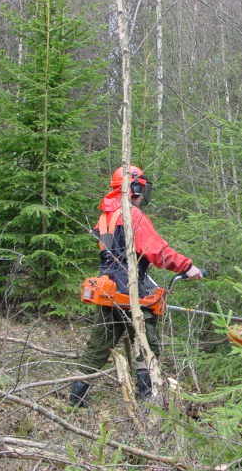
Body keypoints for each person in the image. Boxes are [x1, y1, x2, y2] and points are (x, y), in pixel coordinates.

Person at [70, 165, 202, 406]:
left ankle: (76, 399)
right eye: (142, 188)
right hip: (131, 291)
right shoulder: (132, 215)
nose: (144, 194)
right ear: (133, 188)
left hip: (108, 288)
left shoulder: (107, 215)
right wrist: (187, 267)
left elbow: (115, 255)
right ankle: (146, 400)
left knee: (98, 347)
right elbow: (156, 251)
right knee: (146, 346)